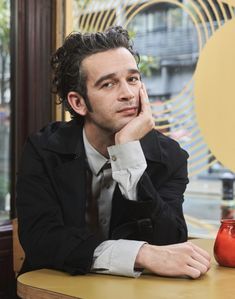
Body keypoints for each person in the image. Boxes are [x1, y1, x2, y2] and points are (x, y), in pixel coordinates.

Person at [16, 26, 210, 279]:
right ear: (78, 102)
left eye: (133, 79)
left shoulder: (169, 156)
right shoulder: (44, 149)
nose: (128, 94)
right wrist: (138, 254)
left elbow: (170, 240)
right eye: (108, 84)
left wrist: (127, 151)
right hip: (55, 288)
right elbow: (41, 240)